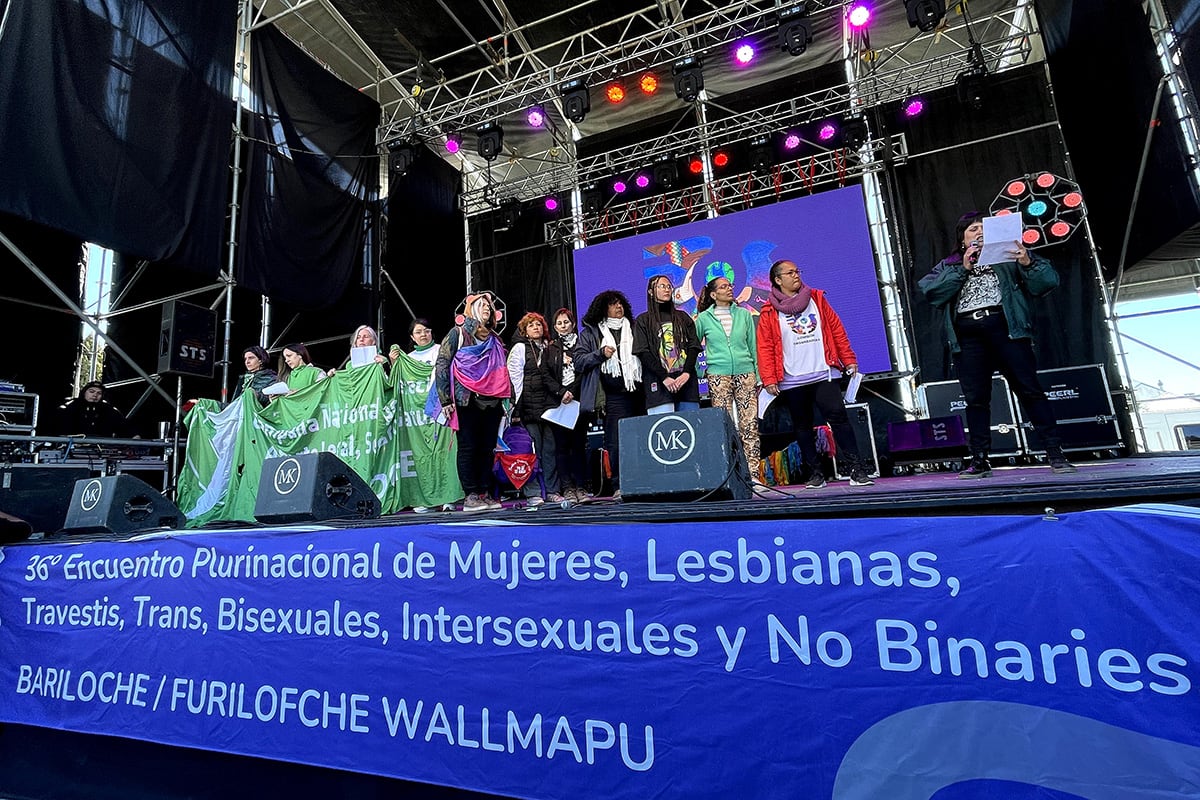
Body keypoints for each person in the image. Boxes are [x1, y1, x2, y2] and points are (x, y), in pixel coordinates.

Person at [918, 212, 1077, 477]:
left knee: (1029, 391)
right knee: (976, 400)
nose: (978, 232)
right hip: (968, 338)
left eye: (983, 228)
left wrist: (1026, 262)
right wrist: (964, 268)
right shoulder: (950, 264)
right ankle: (980, 460)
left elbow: (1047, 282)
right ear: (962, 239)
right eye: (972, 229)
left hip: (1007, 330)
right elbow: (932, 293)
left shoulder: (1010, 256)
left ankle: (1055, 453)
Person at [757, 259, 875, 488]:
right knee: (802, 426)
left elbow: (837, 329)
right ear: (777, 280)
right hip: (791, 379)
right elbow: (765, 345)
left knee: (839, 420)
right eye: (789, 273)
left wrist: (848, 359)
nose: (796, 275)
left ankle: (857, 470)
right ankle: (815, 475)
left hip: (824, 373)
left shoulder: (817, 299)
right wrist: (769, 378)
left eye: (797, 271)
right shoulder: (769, 311)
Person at [435, 291, 510, 512]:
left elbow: (501, 370)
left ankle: (484, 492)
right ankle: (470, 495)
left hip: (493, 401)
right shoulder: (458, 334)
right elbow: (442, 364)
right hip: (466, 400)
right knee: (468, 447)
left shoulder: (495, 339)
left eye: (489, 306)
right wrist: (445, 399)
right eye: (482, 305)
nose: (487, 308)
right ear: (471, 309)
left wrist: (508, 398)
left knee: (487, 448)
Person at [694, 275, 764, 487]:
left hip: (746, 372)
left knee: (749, 424)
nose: (729, 289)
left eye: (730, 285)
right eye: (723, 287)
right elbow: (694, 347)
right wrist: (700, 371)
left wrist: (758, 376)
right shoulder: (704, 318)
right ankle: (730, 476)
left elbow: (753, 345)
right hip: (718, 375)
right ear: (713, 294)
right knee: (724, 425)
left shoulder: (744, 315)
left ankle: (753, 475)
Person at [575, 290, 643, 499]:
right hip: (612, 396)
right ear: (603, 309)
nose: (619, 307)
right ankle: (619, 485)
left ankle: (644, 482)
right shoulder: (591, 333)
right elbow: (579, 361)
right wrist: (600, 354)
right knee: (616, 442)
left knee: (641, 439)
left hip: (639, 393)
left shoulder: (633, 328)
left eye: (621, 303)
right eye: (613, 304)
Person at [507, 312, 571, 506]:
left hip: (549, 408)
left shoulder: (550, 348)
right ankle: (533, 493)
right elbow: (513, 379)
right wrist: (515, 410)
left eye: (539, 324)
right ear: (525, 331)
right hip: (527, 408)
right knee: (530, 451)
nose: (536, 328)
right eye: (531, 325)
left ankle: (552, 490)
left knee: (550, 450)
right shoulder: (519, 349)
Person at [633, 274, 701, 415]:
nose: (667, 290)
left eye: (669, 286)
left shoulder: (683, 317)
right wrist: (664, 377)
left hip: (686, 382)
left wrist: (687, 373)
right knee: (665, 429)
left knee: (692, 427)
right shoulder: (643, 320)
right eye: (662, 286)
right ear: (651, 292)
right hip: (659, 384)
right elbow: (643, 352)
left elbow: (694, 346)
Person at [551, 307, 589, 503]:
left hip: (578, 400)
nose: (563, 326)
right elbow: (546, 375)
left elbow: (585, 370)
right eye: (559, 323)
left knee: (578, 445)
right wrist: (560, 392)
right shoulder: (551, 347)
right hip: (559, 404)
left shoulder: (582, 344)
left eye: (566, 322)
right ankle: (567, 488)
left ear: (573, 323)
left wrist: (572, 391)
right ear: (555, 327)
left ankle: (581, 487)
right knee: (562, 447)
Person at [53, 381, 131, 438]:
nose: (95, 395)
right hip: (72, 447)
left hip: (101, 449)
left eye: (99, 393)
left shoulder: (109, 409)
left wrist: (134, 435)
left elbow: (124, 426)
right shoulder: (70, 406)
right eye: (91, 391)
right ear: (84, 392)